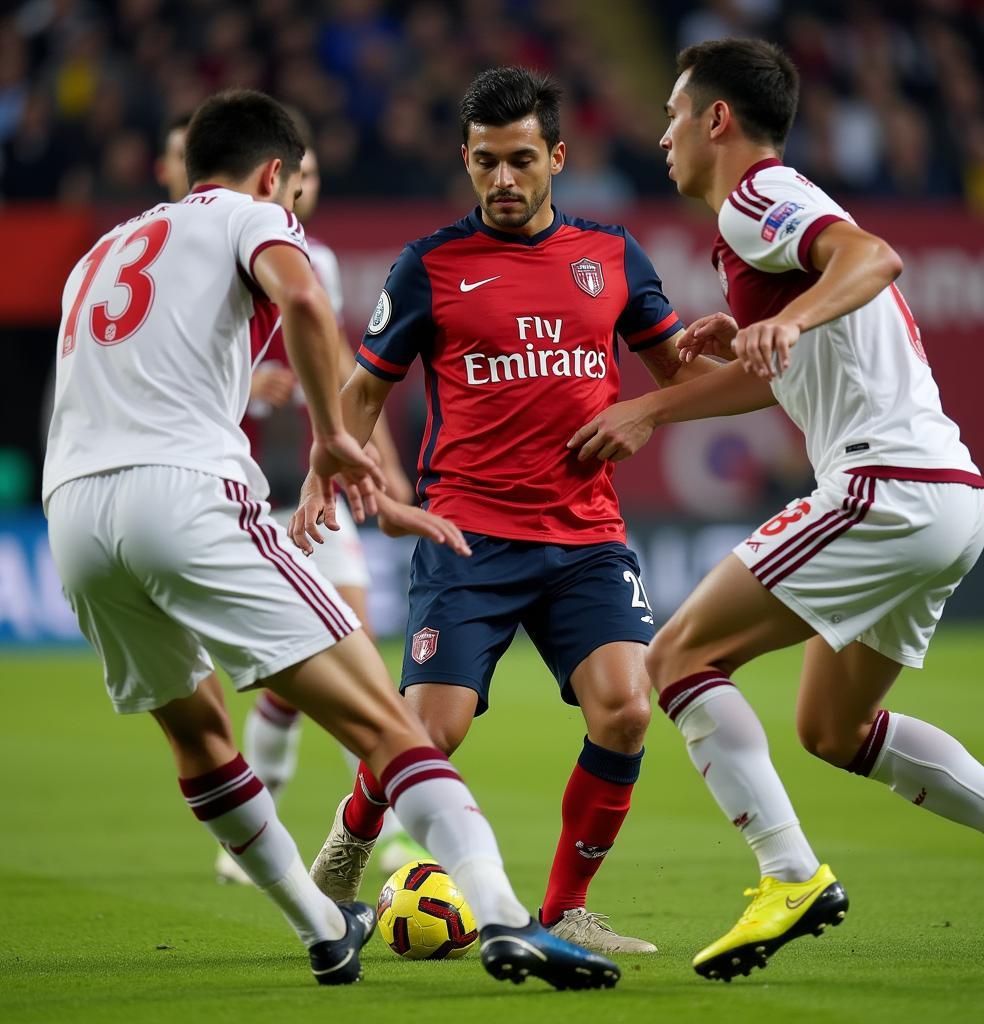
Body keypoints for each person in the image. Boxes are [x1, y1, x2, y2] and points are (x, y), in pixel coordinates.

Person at [43, 88, 619, 991]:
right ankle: (509, 919)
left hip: (73, 512)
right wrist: (333, 438)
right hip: (186, 491)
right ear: (275, 174)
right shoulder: (253, 219)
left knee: (197, 736)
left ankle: (320, 925)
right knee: (388, 726)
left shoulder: (100, 253)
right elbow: (305, 299)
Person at [568, 37, 984, 981]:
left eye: (672, 116)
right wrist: (686, 384)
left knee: (677, 656)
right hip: (948, 498)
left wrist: (790, 319)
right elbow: (779, 367)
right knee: (833, 730)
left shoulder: (756, 196)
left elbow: (876, 257)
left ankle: (790, 876)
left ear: (717, 120)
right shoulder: (776, 220)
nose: (662, 138)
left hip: (882, 487)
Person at [290, 66, 715, 955]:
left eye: (522, 160)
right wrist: (324, 471)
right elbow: (362, 391)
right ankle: (353, 836)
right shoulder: (429, 267)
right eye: (486, 163)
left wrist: (668, 400)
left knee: (628, 711)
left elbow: (678, 376)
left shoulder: (611, 257)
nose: (504, 181)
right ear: (467, 161)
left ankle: (566, 909)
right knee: (429, 731)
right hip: (466, 536)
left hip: (587, 534)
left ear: (557, 156)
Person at [210, 115, 428, 886]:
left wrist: (380, 456)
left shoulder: (316, 262)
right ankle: (264, 813)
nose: (306, 193)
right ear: (273, 177)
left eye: (315, 182)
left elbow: (344, 363)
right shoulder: (206, 250)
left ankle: (390, 830)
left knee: (354, 648)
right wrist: (246, 388)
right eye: (297, 178)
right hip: (233, 484)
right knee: (293, 669)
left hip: (310, 481)